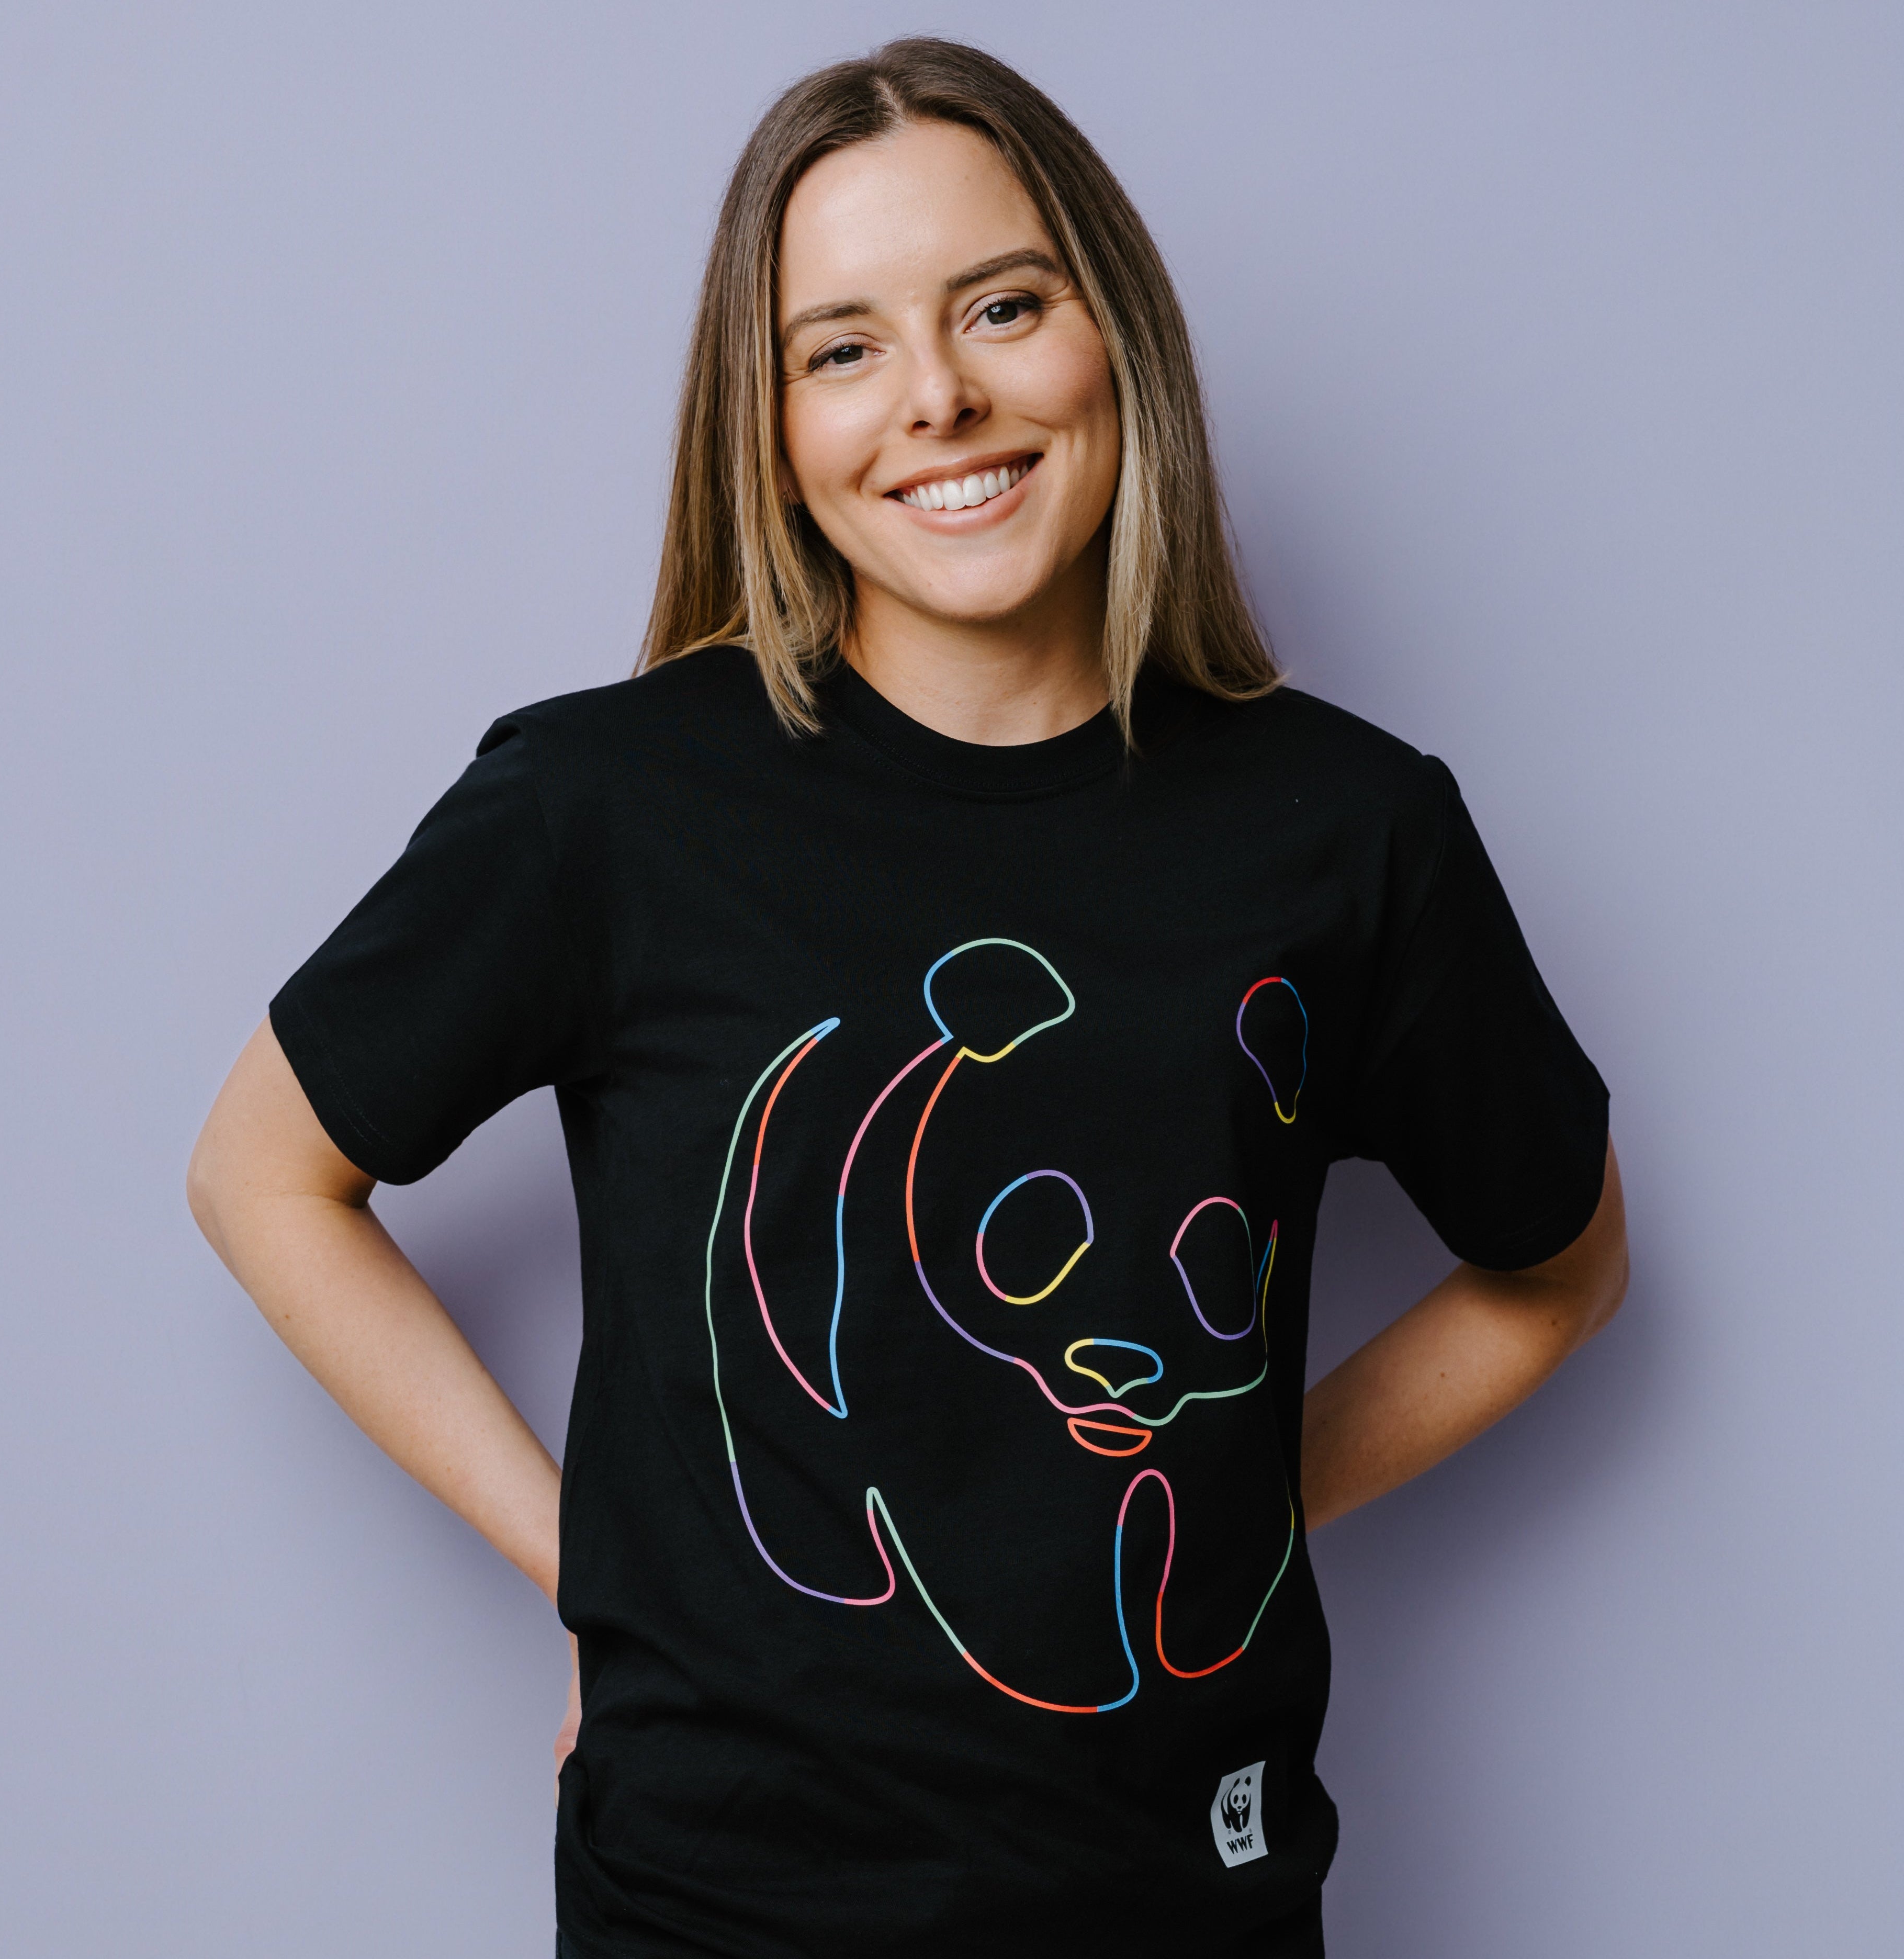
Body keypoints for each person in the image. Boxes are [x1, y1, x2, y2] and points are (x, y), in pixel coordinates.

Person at [187, 36, 1626, 1959]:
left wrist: (1224, 1490)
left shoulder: (1349, 830)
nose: (937, 398)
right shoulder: (608, 810)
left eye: (1002, 308)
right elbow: (261, 1175)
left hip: (1184, 1904)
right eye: (841, 348)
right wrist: (603, 1577)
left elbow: (1564, 1263)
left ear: (1112, 336)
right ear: (768, 424)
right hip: (714, 1904)